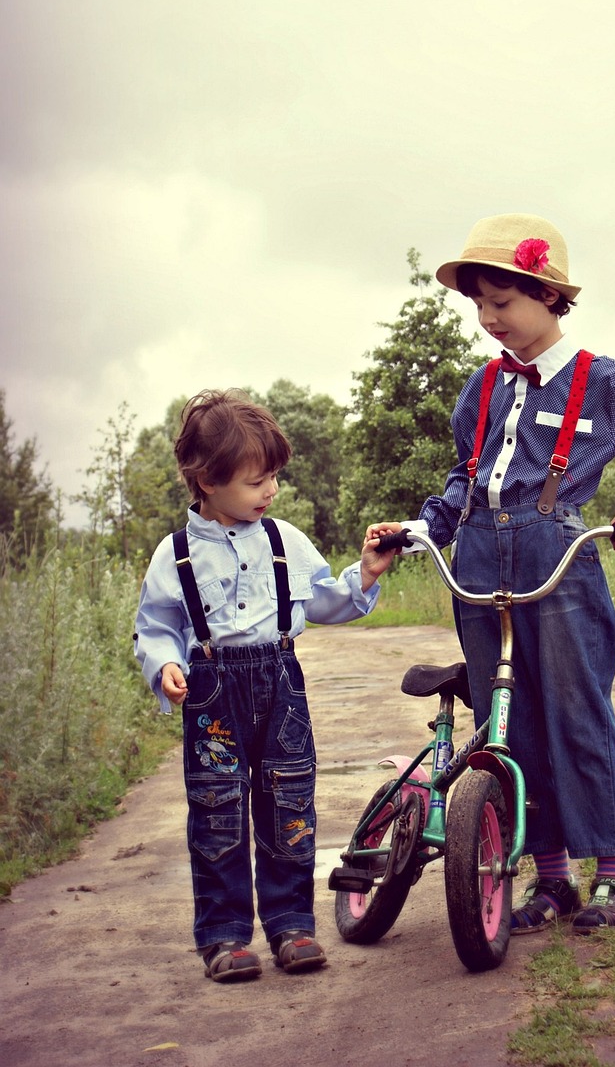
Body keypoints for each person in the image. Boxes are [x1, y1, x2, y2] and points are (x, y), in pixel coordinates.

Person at [371, 213, 615, 936]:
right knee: (508, 721)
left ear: (548, 294)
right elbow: (463, 479)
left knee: (575, 713)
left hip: (555, 555)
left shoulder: (602, 382)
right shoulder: (482, 387)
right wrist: (420, 529)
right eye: (478, 305)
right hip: (475, 554)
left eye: (502, 302)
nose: (488, 318)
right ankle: (551, 878)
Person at [134, 389, 398, 982]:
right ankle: (226, 937)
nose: (270, 492)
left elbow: (326, 600)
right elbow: (155, 627)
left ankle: (291, 926)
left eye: (273, 478)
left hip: (279, 681)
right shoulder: (174, 555)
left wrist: (366, 575)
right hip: (211, 692)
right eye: (257, 482)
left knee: (289, 806)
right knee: (217, 811)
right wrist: (165, 664)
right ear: (204, 479)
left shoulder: (285, 541)